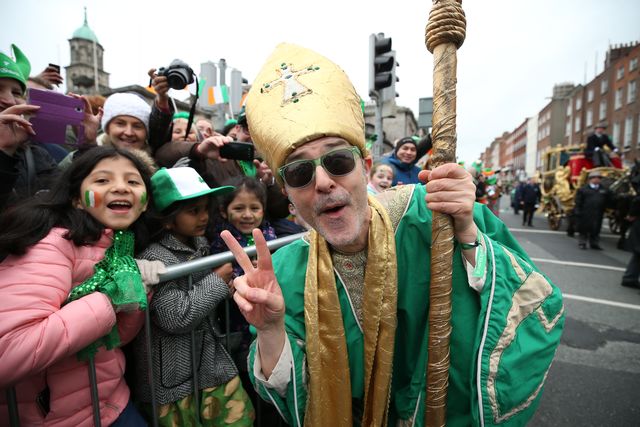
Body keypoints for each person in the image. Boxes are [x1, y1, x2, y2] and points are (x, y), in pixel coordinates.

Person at [219, 43, 564, 426]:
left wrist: (465, 230)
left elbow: (534, 303)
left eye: (337, 161)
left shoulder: (431, 216)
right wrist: (269, 330)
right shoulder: (283, 271)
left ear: (365, 167)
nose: (322, 182)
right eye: (299, 173)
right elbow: (290, 389)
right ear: (287, 194)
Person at [0, 146, 164, 426]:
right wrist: (110, 298)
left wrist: (139, 287)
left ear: (146, 202)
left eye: (133, 181)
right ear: (77, 199)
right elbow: (7, 353)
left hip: (111, 404)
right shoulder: (51, 246)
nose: (121, 188)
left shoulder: (117, 248)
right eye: (103, 181)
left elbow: (112, 340)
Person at [131, 166, 254, 426]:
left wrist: (225, 287)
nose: (203, 217)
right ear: (167, 218)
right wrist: (216, 281)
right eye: (193, 211)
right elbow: (174, 317)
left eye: (205, 209)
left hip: (209, 365)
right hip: (174, 380)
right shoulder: (155, 257)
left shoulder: (199, 244)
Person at [209, 175, 282, 425]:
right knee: (249, 378)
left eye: (254, 208)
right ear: (224, 210)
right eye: (239, 208)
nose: (248, 214)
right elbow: (221, 278)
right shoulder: (221, 242)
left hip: (269, 325)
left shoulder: (270, 234)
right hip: (237, 325)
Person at [0, 44, 60, 211]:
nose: (10, 101)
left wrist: (87, 144)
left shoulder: (36, 154)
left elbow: (67, 203)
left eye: (17, 92)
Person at [574, 170, 612, 249]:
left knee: (596, 228)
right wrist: (577, 210)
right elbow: (578, 201)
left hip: (598, 211)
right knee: (584, 227)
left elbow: (609, 199)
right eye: (594, 178)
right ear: (590, 179)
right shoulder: (583, 189)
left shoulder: (604, 190)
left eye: (599, 178)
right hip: (586, 211)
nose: (597, 179)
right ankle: (582, 242)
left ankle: (594, 243)